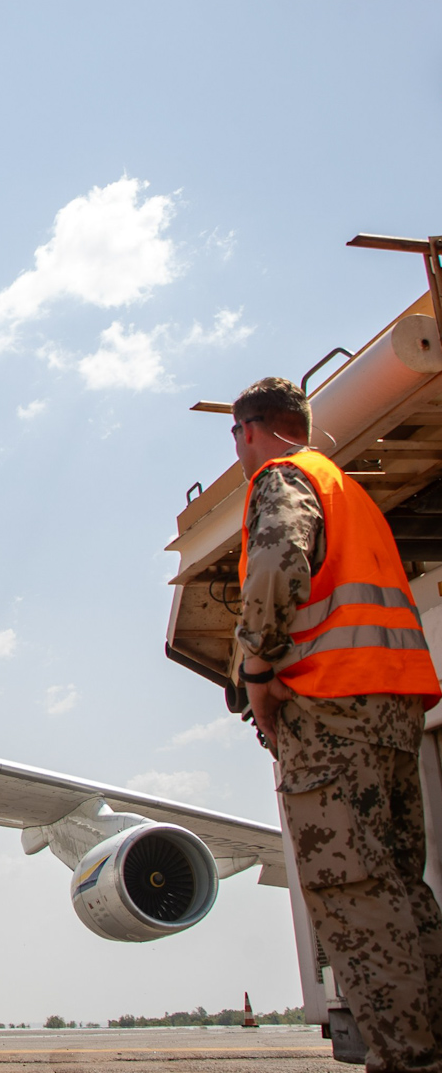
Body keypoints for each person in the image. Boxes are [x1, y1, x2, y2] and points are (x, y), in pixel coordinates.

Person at [230, 376, 442, 1073]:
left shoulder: (283, 477)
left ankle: (407, 1059)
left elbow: (278, 563)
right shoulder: (349, 494)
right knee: (401, 889)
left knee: (354, 892)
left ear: (251, 430)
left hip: (331, 711)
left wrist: (257, 669)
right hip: (393, 707)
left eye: (237, 438)